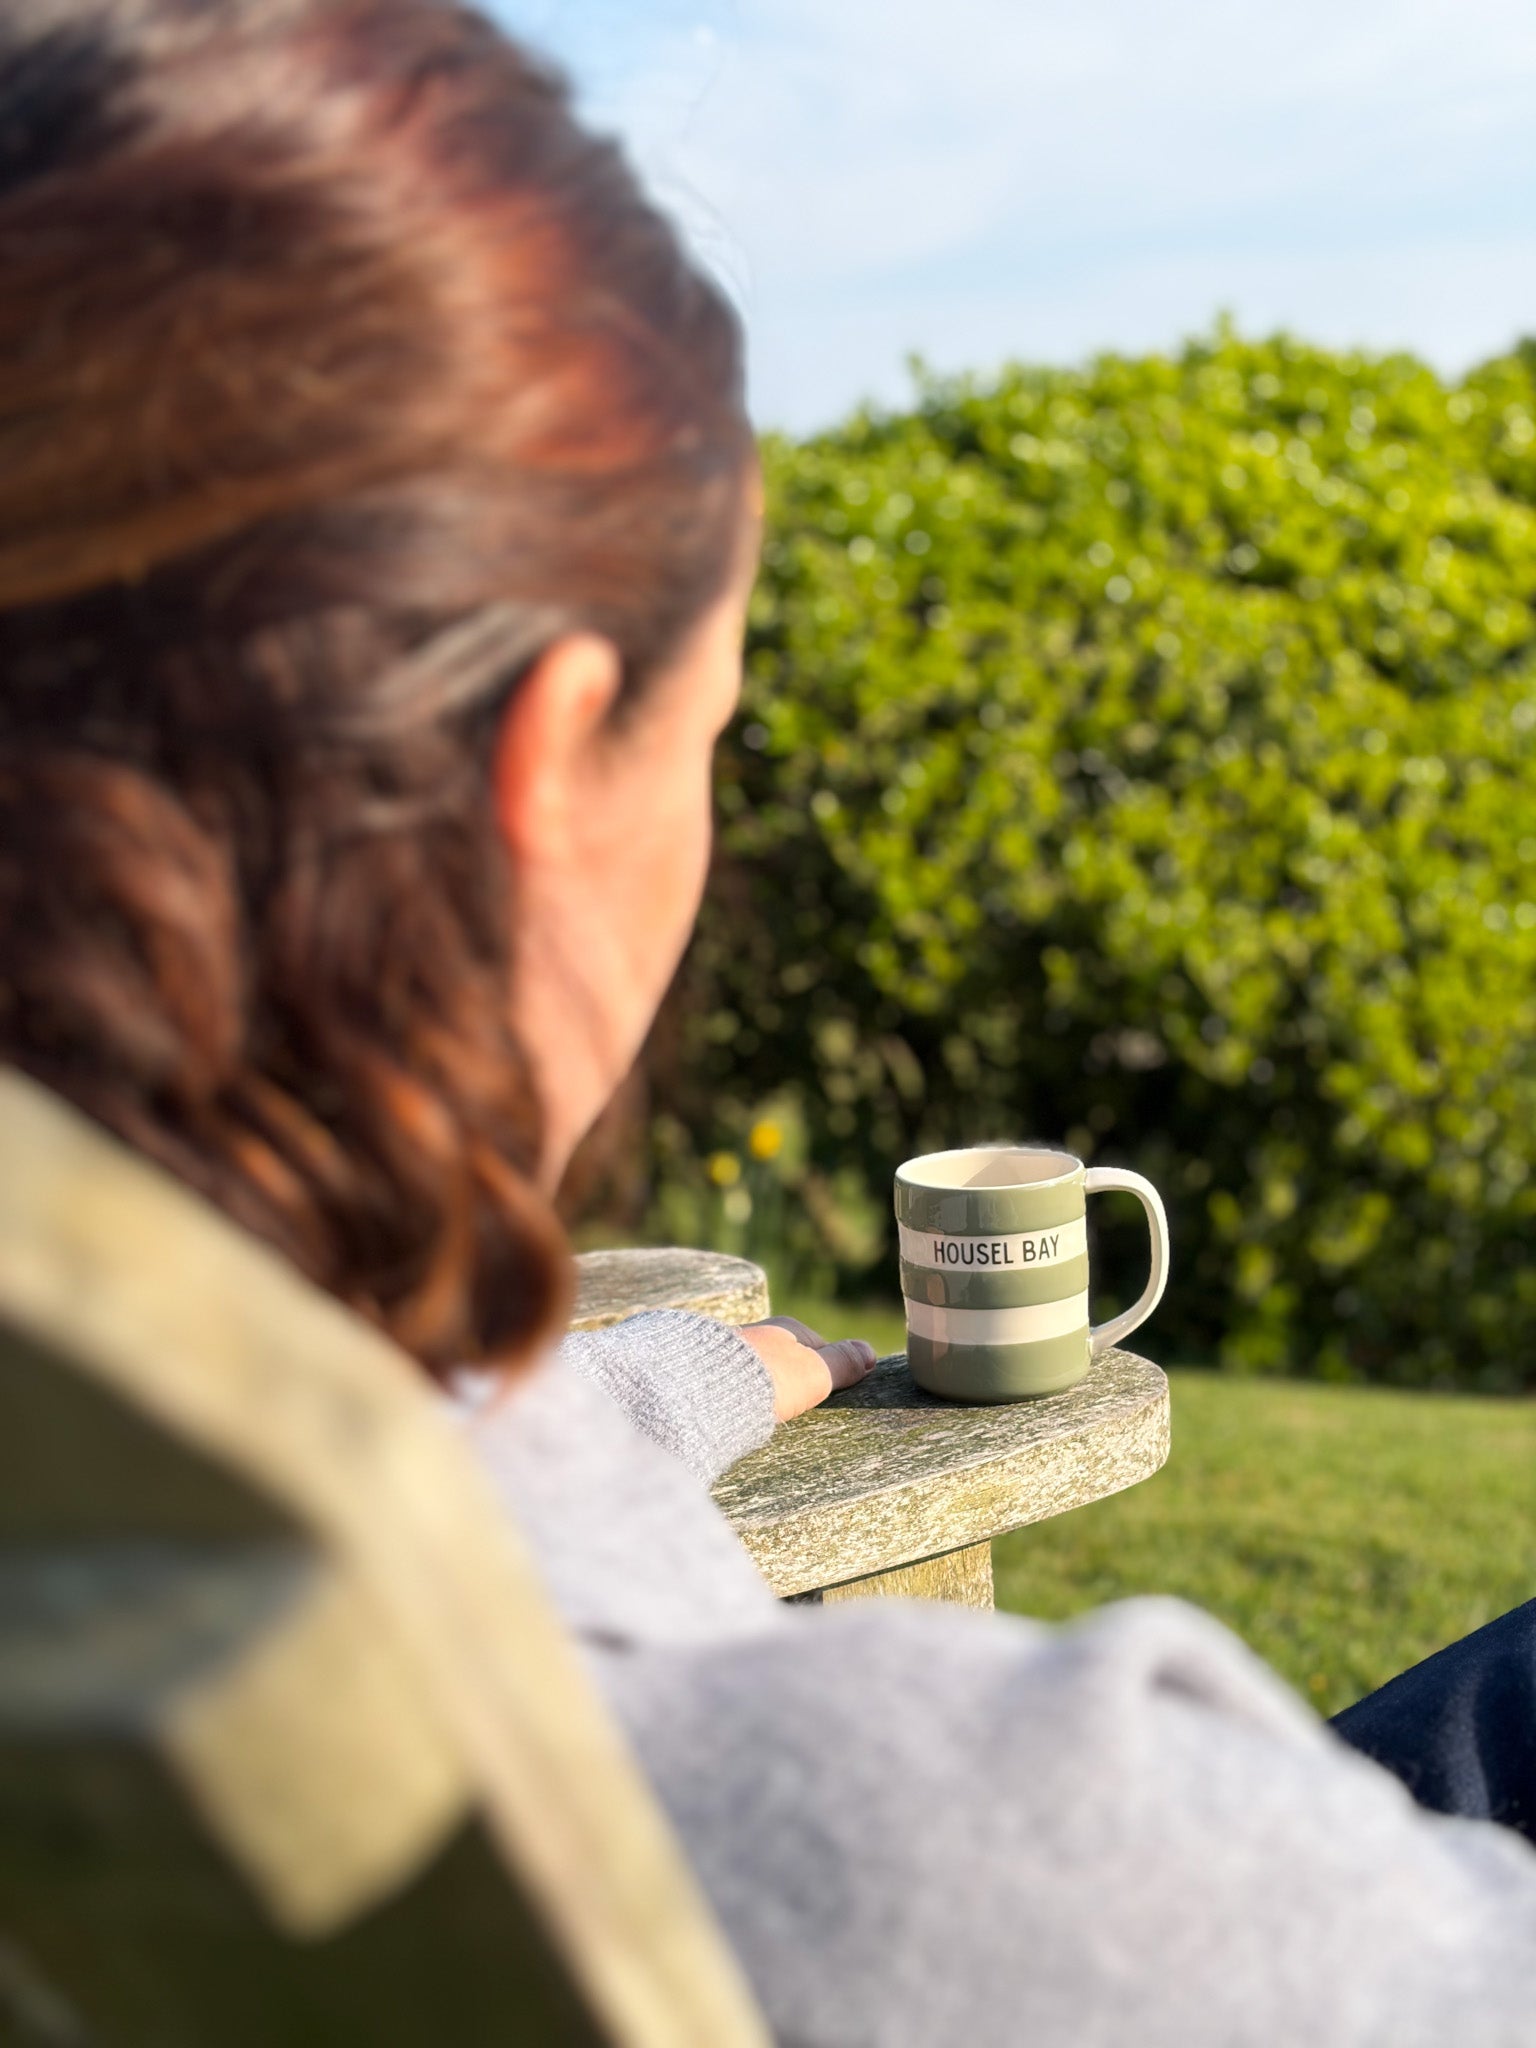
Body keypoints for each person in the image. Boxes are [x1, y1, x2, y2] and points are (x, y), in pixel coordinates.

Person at [1, 3, 1534, 2041]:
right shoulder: (970, 1847)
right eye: (705, 729)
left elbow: (428, 1450)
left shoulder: (125, 1530)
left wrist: (682, 1378)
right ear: (538, 770)